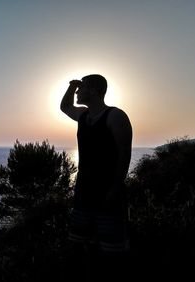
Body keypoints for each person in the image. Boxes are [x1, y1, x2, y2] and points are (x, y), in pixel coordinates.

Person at [60, 74, 132, 281]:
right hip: (84, 192)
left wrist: (115, 188)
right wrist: (71, 86)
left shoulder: (115, 116)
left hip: (108, 194)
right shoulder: (83, 116)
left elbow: (124, 153)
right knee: (78, 244)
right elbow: (65, 107)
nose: (77, 92)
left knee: (112, 251)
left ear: (92, 90)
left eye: (80, 88)